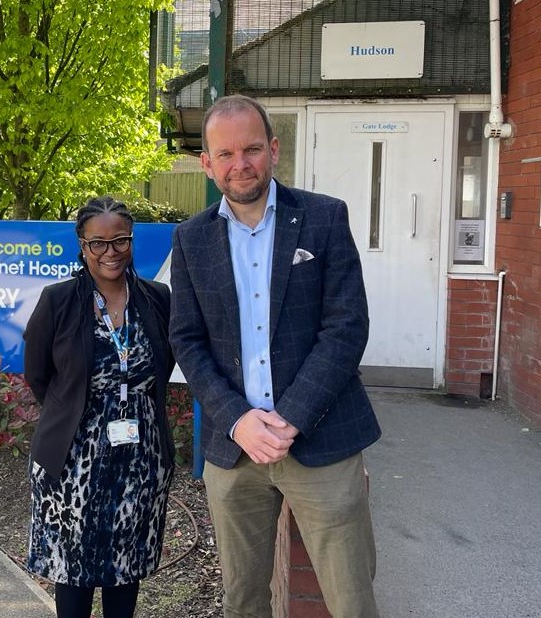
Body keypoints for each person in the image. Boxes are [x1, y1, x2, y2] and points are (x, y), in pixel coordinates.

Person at [169, 94, 382, 617]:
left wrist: (290, 417)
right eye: (225, 154)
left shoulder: (324, 218)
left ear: (275, 150)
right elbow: (187, 341)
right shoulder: (192, 238)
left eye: (252, 149)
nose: (240, 164)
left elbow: (346, 327)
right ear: (207, 162)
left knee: (352, 599)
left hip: (321, 438)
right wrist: (238, 419)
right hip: (235, 448)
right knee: (242, 600)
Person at [24, 196, 176, 618]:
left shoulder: (157, 299)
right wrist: (80, 413)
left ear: (132, 241)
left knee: (126, 569)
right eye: (99, 243)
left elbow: (161, 369)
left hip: (140, 458)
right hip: (73, 460)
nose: (111, 252)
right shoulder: (58, 301)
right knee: (73, 571)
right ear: (82, 244)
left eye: (120, 241)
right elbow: (38, 374)